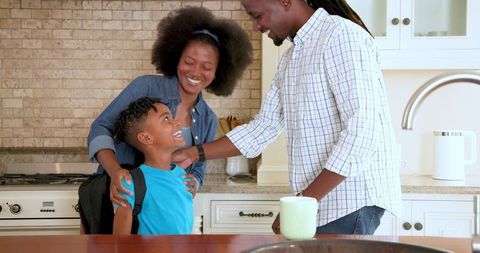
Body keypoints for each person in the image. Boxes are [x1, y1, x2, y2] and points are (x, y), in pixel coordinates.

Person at [173, 0, 401, 235]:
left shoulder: (341, 36)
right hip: (322, 202)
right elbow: (263, 127)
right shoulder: (291, 59)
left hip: (350, 199)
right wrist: (193, 153)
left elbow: (362, 132)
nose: (256, 26)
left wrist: (303, 202)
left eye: (257, 16)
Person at [87, 6, 252, 206]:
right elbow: (100, 127)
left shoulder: (208, 119)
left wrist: (195, 183)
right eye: (189, 62)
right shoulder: (145, 87)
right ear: (176, 60)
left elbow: (198, 168)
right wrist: (115, 172)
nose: (196, 72)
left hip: (162, 208)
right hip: (119, 200)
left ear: (218, 72)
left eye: (207, 67)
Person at [112, 97, 192, 235]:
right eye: (166, 119)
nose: (177, 123)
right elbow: (119, 242)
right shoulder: (130, 184)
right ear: (146, 138)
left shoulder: (181, 174)